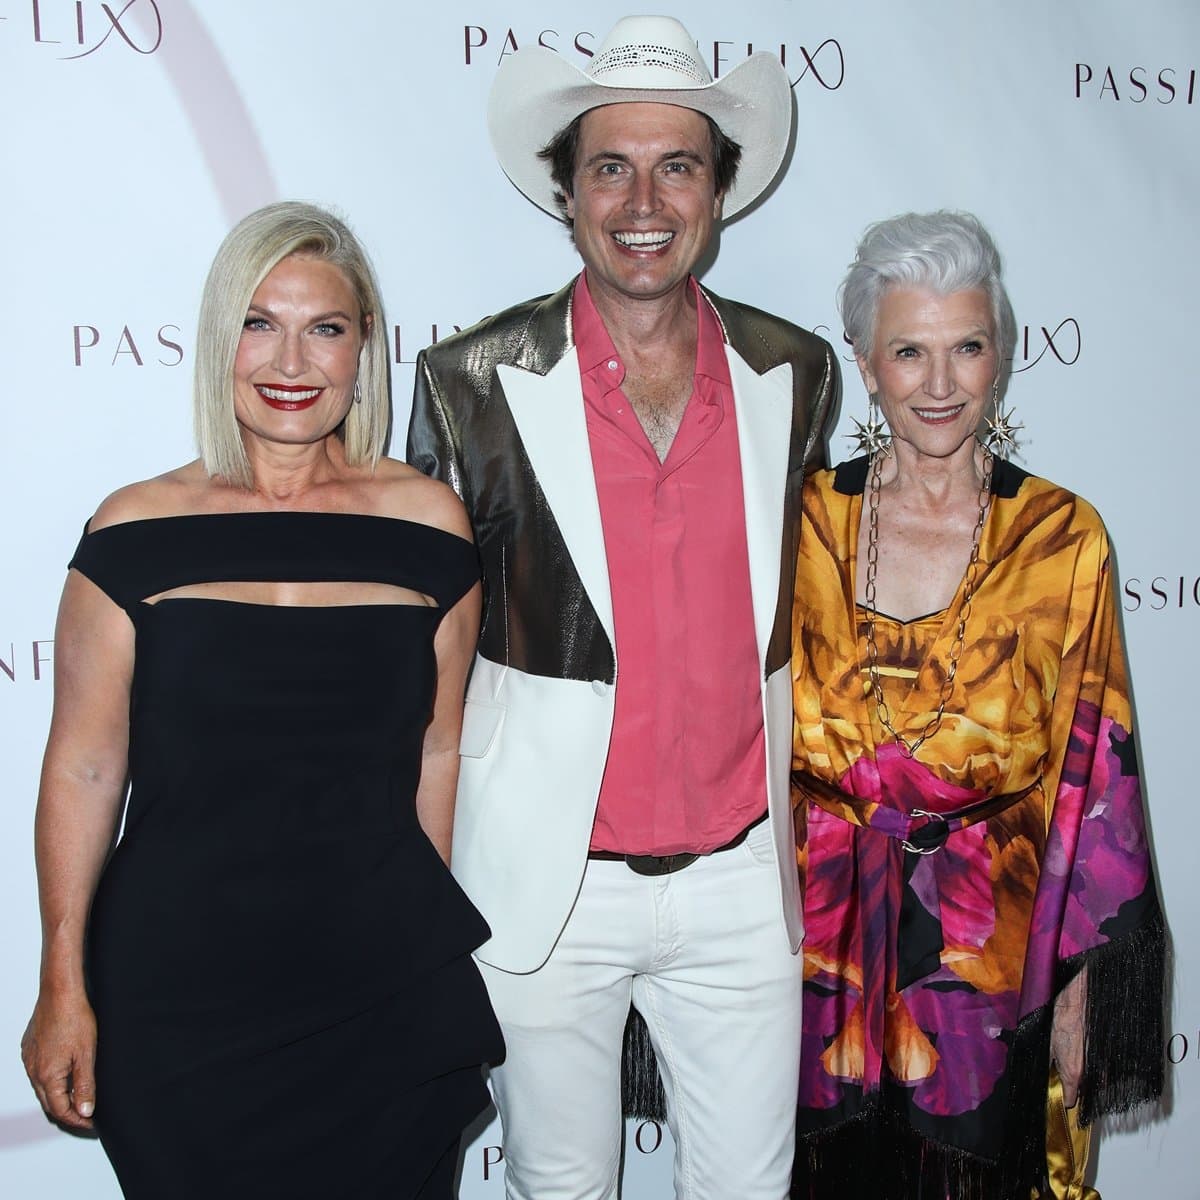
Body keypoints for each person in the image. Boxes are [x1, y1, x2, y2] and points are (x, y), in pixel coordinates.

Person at [407, 15, 838, 1199]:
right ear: (567, 190)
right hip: (548, 882)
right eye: (611, 165)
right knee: (559, 1186)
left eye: (677, 165)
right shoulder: (469, 384)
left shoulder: (795, 369)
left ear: (717, 190)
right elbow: (420, 664)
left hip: (743, 882)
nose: (643, 199)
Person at [20, 201, 503, 1199]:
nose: (292, 360)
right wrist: (61, 981)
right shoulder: (134, 531)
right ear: (219, 341)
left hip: (375, 983)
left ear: (363, 344)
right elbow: (83, 764)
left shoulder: (426, 523)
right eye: (259, 322)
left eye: (324, 327)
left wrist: (415, 947)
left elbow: (439, 753)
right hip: (177, 988)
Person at [789, 210, 1165, 1199]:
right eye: (910, 352)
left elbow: (1098, 777)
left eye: (967, 347)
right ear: (865, 363)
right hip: (806, 961)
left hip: (991, 972)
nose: (942, 384)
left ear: (1001, 354)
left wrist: (1085, 993)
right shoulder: (797, 524)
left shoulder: (1061, 540)